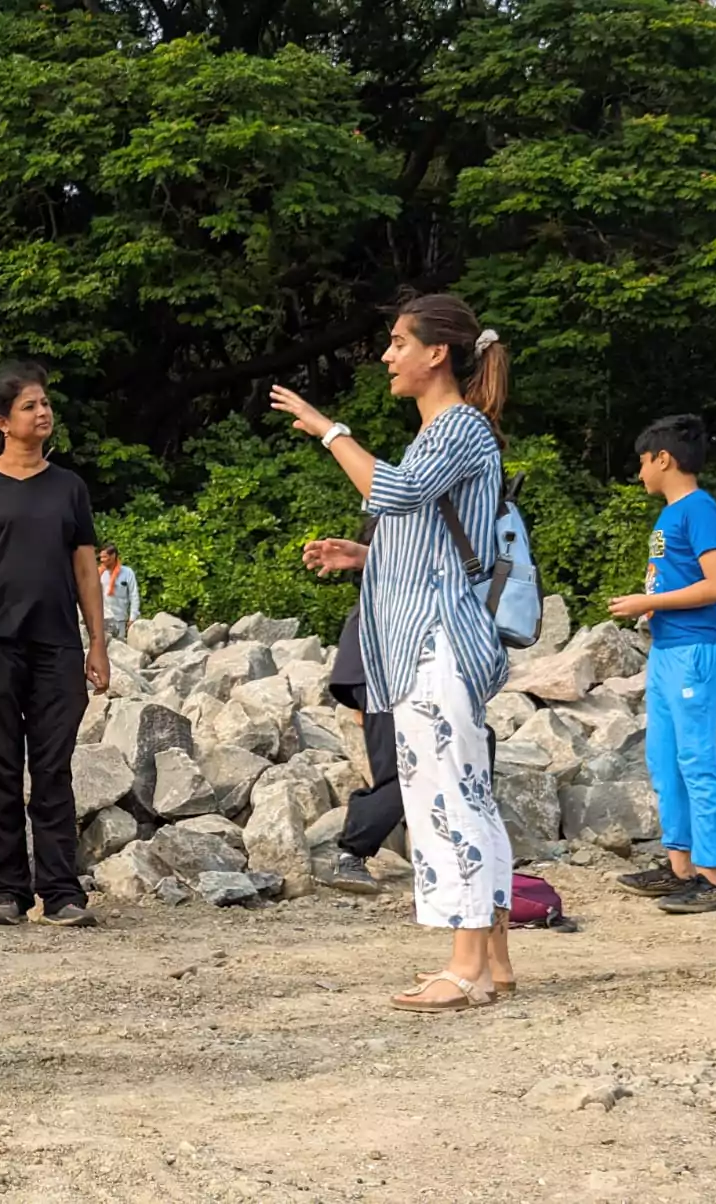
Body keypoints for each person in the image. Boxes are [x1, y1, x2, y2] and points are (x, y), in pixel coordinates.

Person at [273, 293, 515, 1012]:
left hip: (437, 644)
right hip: (427, 640)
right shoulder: (445, 432)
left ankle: (464, 966)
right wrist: (363, 554)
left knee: (447, 798)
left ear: (436, 353)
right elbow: (422, 530)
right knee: (464, 793)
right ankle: (493, 960)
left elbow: (400, 489)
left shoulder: (458, 427)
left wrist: (327, 428)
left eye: (399, 343)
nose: (387, 356)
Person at [0, 361, 110, 928]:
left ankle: (61, 891)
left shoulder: (70, 488)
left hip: (56, 645)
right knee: (0, 765)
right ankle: (4, 892)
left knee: (53, 768)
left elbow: (87, 572)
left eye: (45, 404)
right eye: (30, 406)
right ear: (3, 421)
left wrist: (98, 643)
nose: (44, 412)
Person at [309, 524, 499, 905]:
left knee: (472, 745)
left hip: (399, 676)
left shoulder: (407, 587)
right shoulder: (395, 589)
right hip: (385, 677)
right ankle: (352, 852)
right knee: (406, 770)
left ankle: (453, 853)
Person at [612, 415, 716, 914]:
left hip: (696, 650)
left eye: (643, 462)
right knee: (664, 760)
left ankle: (712, 877)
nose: (640, 472)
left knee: (696, 760)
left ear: (663, 459)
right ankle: (679, 867)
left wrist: (650, 603)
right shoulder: (670, 515)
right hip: (667, 650)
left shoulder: (699, 509)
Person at [98, 544, 140, 643]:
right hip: (103, 619)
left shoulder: (127, 573)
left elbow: (134, 595)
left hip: (120, 619)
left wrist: (132, 618)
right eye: (101, 557)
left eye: (105, 557)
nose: (102, 560)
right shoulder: (99, 573)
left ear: (113, 556)